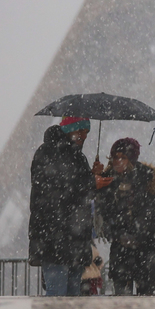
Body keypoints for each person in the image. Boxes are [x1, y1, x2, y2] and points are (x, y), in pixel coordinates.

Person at [28, 117, 96, 296]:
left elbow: (69, 191)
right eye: (80, 130)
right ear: (69, 129)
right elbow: (63, 191)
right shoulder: (56, 153)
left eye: (86, 132)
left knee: (63, 297)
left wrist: (93, 177)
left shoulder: (57, 153)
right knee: (63, 297)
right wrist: (91, 181)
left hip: (63, 239)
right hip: (61, 238)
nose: (84, 136)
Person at [96, 137, 155, 295]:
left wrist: (137, 233)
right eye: (116, 157)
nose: (118, 161)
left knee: (145, 299)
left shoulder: (147, 178)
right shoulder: (107, 181)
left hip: (145, 249)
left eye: (123, 157)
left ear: (131, 159)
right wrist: (96, 178)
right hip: (121, 250)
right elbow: (103, 213)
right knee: (122, 302)